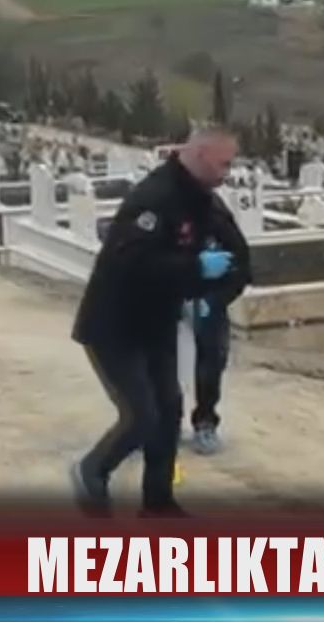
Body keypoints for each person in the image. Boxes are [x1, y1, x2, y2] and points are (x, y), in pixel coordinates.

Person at [70, 126, 240, 518]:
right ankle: (92, 469)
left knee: (168, 412)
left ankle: (159, 503)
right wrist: (194, 266)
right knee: (141, 415)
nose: (228, 172)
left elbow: (223, 246)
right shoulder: (154, 197)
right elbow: (130, 261)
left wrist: (209, 287)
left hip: (157, 321)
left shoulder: (200, 199)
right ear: (198, 155)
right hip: (114, 325)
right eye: (224, 163)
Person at [186, 189, 252, 455]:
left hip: (207, 297)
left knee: (212, 359)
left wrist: (217, 299)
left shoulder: (215, 213)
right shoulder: (156, 211)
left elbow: (242, 265)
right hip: (165, 294)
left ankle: (205, 422)